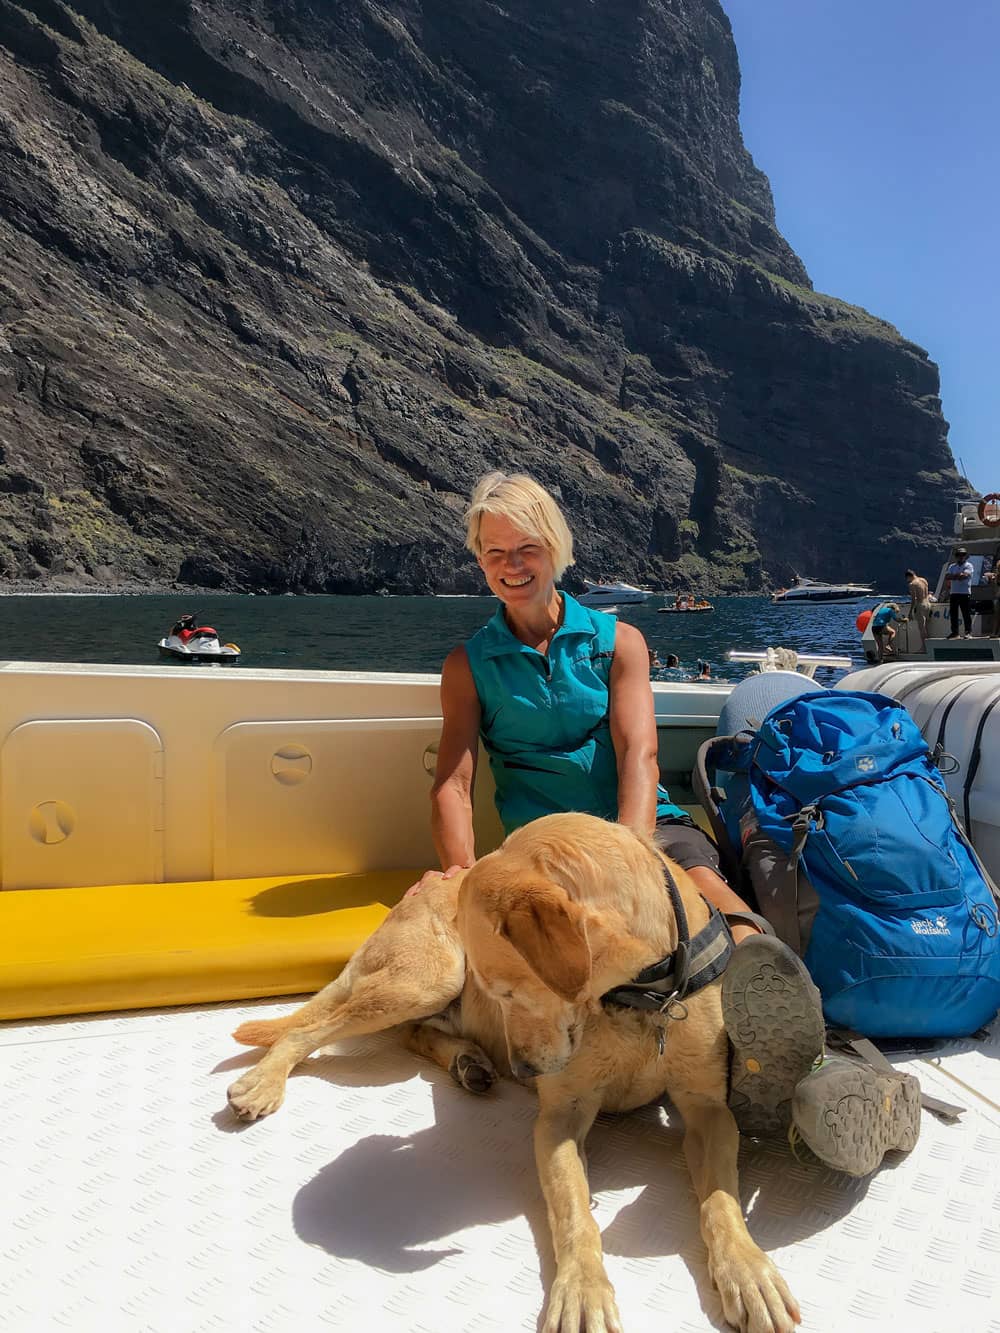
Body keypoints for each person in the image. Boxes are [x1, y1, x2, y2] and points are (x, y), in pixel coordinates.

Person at [413, 471, 904, 1173]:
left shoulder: (621, 642)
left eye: (526, 547)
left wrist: (633, 857)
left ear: (555, 547)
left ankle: (810, 1051)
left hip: (643, 832)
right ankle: (753, 1065)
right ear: (479, 559)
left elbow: (638, 753)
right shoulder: (468, 664)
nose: (512, 565)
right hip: (543, 858)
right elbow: (454, 783)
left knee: (723, 913)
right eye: (494, 553)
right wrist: (464, 883)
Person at [944, 546, 975, 639]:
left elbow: (963, 576)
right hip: (954, 593)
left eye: (962, 555)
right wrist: (958, 576)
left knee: (966, 613)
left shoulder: (969, 566)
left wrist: (954, 576)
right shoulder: (952, 566)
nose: (960, 556)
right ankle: (955, 633)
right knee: (953, 614)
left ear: (965, 556)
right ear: (956, 556)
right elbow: (947, 577)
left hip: (965, 593)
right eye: (958, 555)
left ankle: (968, 632)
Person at [904, 569, 930, 648]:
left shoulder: (912, 584)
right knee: (926, 627)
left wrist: (910, 612)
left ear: (908, 577)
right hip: (928, 604)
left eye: (907, 579)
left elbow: (914, 599)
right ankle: (928, 645)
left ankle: (924, 647)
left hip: (920, 605)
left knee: (922, 628)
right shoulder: (923, 580)